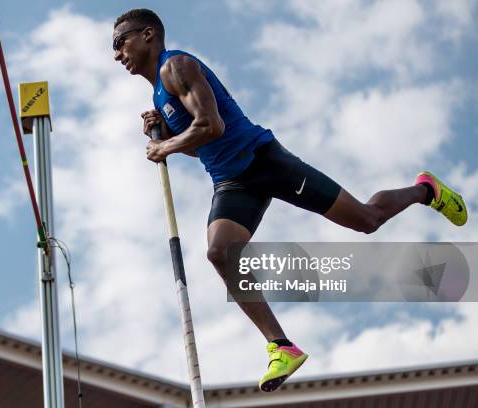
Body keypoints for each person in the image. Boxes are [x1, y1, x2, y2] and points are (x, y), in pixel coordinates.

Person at [112, 8, 468, 392]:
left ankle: (426, 190)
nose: (117, 53)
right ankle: (282, 346)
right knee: (219, 253)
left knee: (366, 219)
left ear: (148, 34)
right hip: (232, 181)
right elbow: (201, 147)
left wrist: (164, 144)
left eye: (120, 42)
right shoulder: (159, 92)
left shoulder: (176, 67)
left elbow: (210, 126)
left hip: (264, 162)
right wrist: (164, 135)